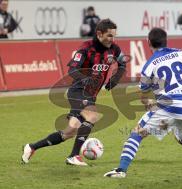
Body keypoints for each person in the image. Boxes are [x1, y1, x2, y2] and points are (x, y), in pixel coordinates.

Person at [104, 27, 182, 178]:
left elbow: (143, 95)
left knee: (137, 133)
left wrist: (148, 103)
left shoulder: (149, 65)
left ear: (148, 42)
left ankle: (121, 170)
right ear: (166, 40)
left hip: (170, 104)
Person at [22, 19, 126, 166]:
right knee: (93, 116)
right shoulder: (86, 48)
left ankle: (32, 147)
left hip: (90, 94)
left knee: (69, 133)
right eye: (109, 36)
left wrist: (115, 78)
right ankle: (74, 156)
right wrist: (85, 80)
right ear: (99, 34)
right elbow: (72, 70)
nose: (112, 39)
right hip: (78, 91)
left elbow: (122, 64)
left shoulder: (114, 49)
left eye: (114, 36)